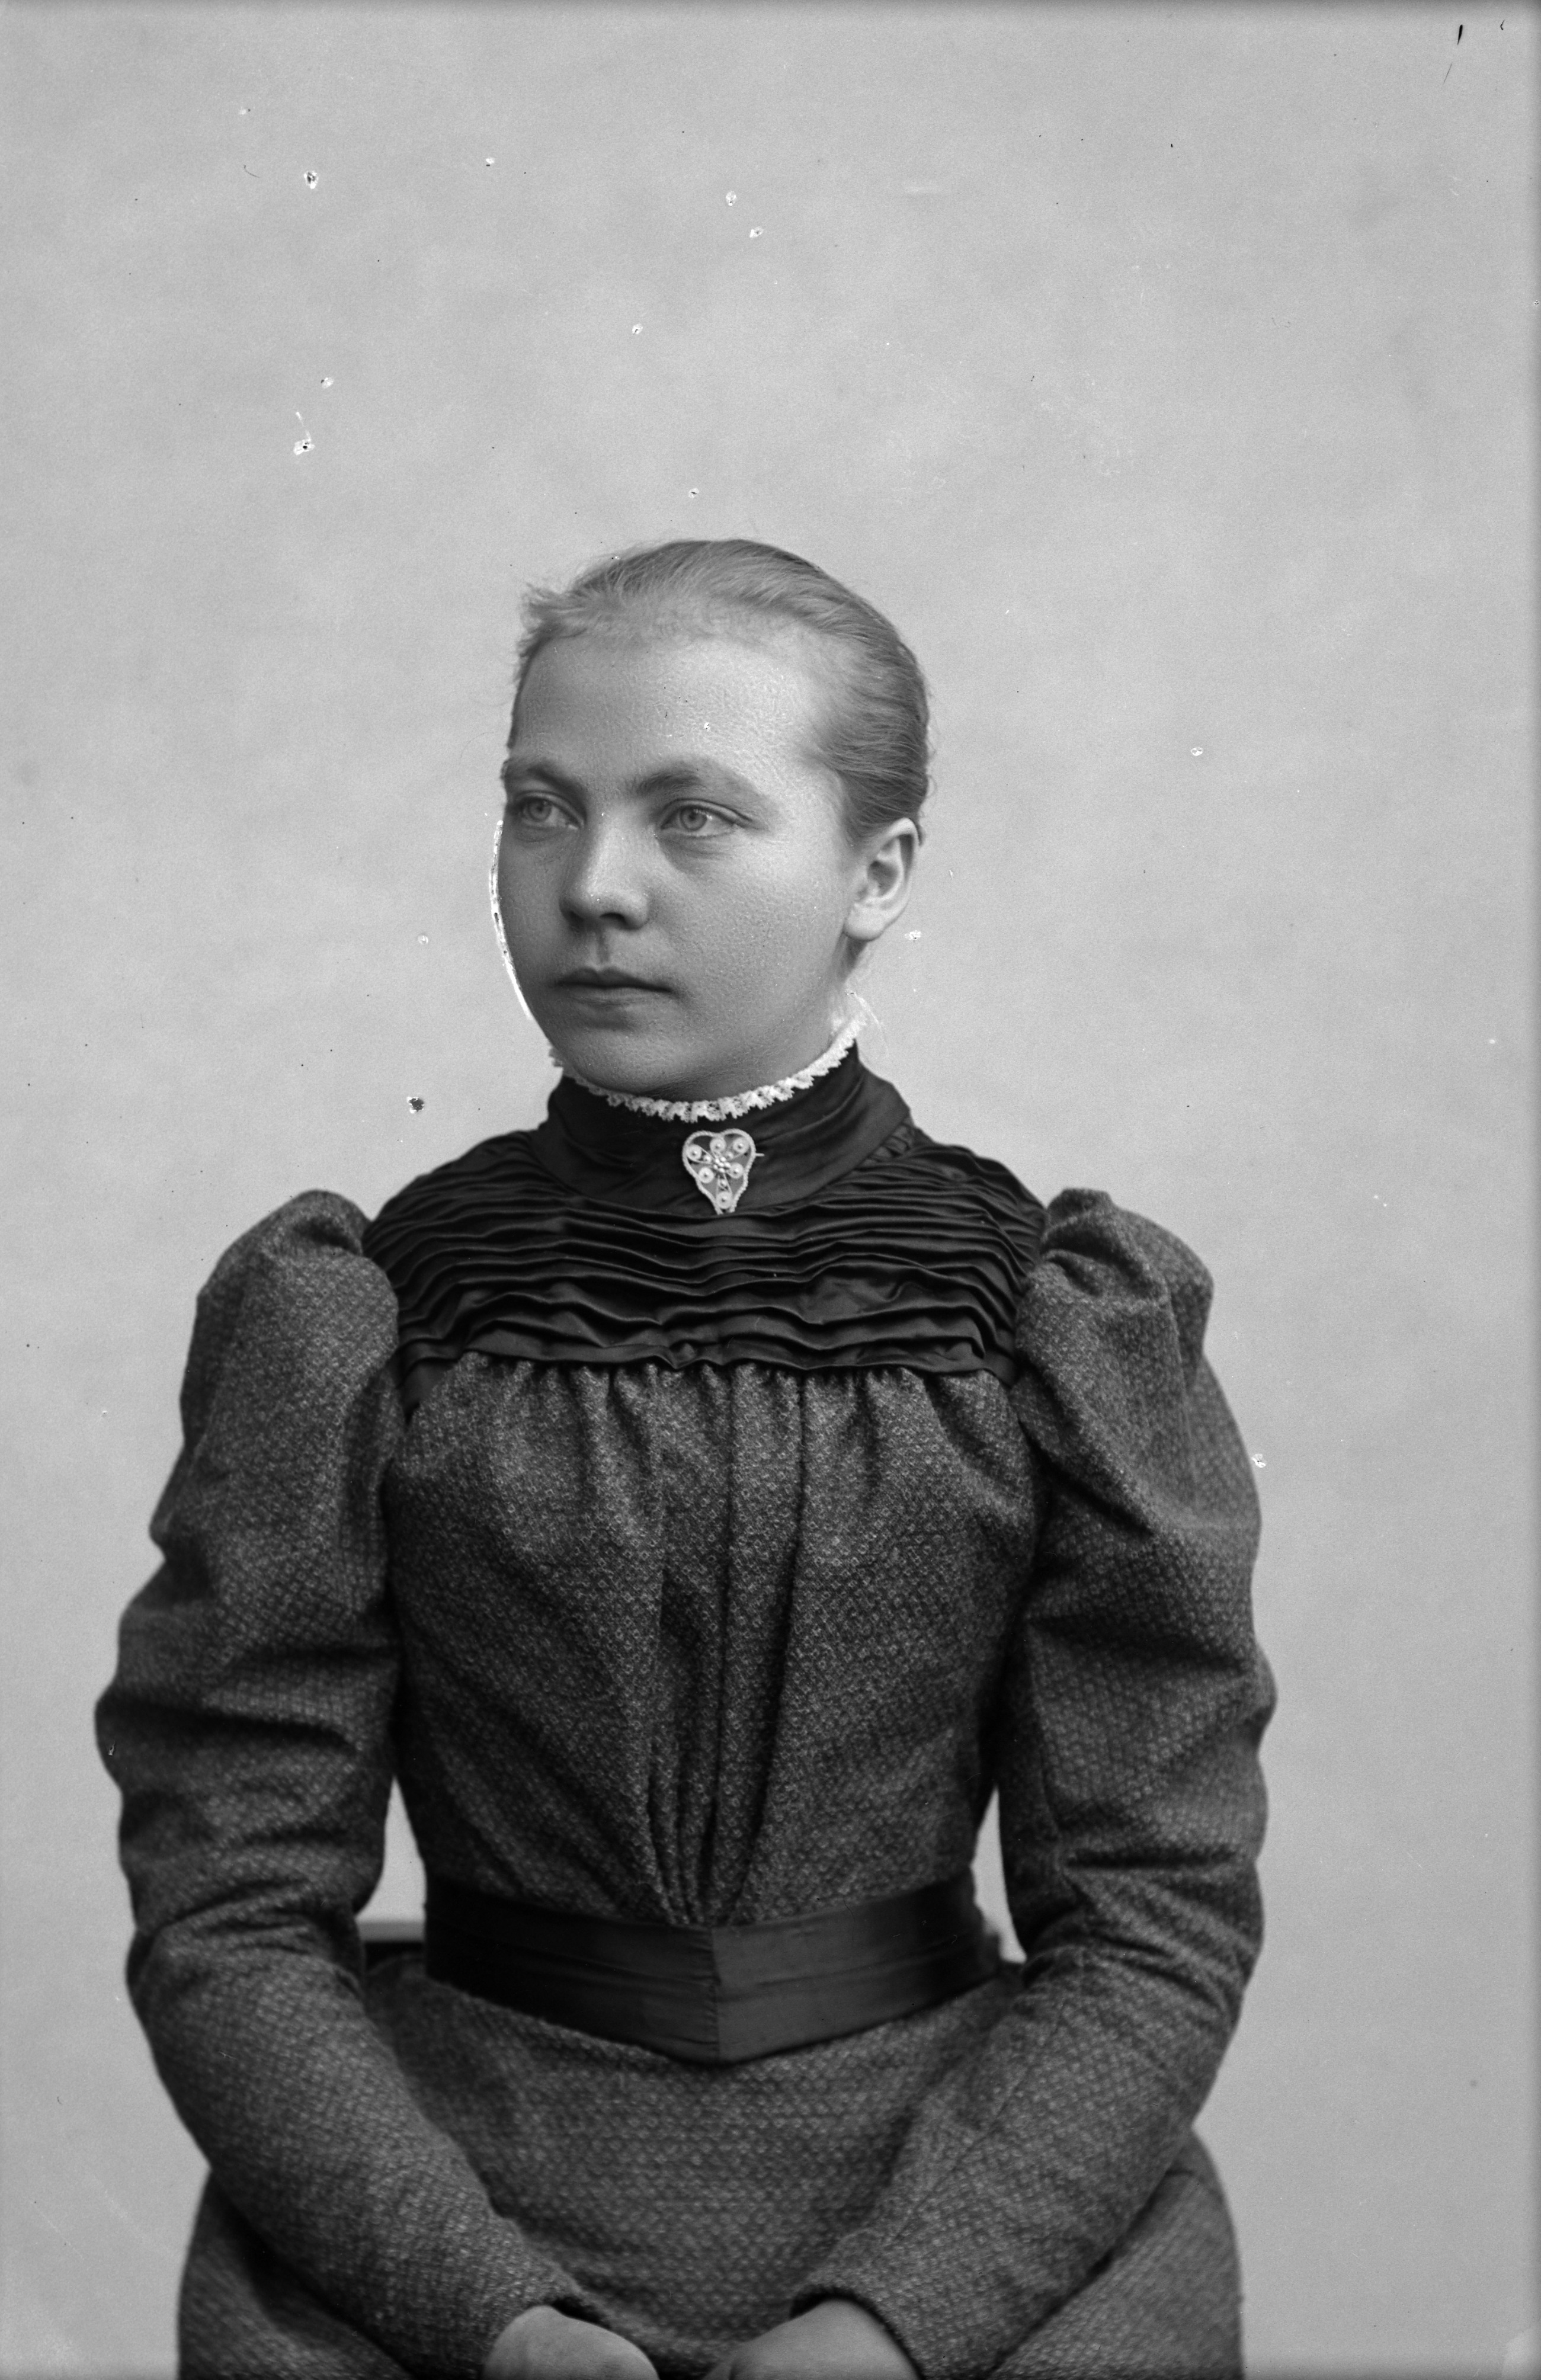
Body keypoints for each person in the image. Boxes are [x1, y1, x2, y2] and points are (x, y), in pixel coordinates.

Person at [97, 539, 1275, 2380]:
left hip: (963, 2217)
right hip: (455, 2212)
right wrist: (483, 2312)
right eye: (540, 807)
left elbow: (1156, 1916)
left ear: (876, 870)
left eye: (694, 815)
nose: (593, 885)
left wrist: (894, 2323)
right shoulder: (360, 1318)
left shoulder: (1052, 1322)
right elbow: (228, 1905)